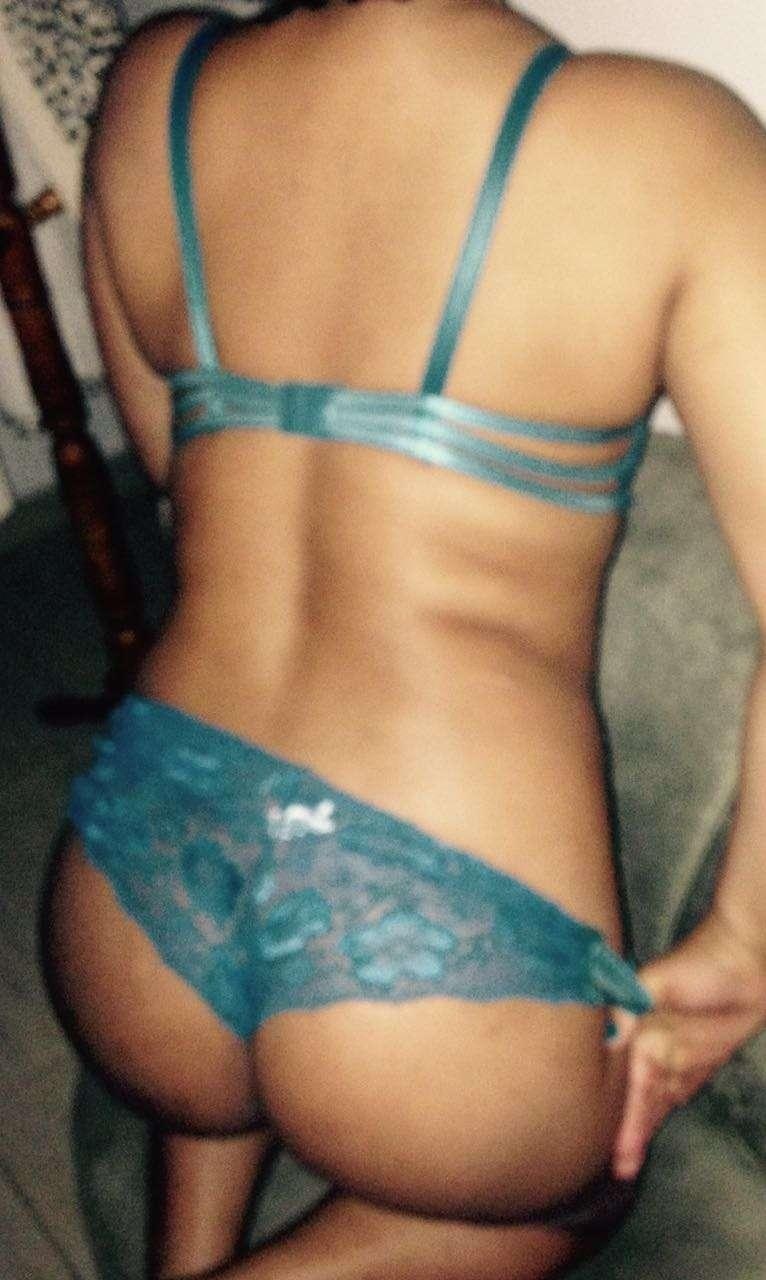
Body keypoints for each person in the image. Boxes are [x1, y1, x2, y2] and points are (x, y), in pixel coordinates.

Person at [44, 2, 766, 1277]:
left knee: (211, 1034)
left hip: (137, 879)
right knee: (584, 1188)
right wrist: (744, 940)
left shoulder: (155, 84)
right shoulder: (667, 139)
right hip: (433, 950)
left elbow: (179, 485)